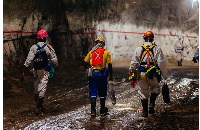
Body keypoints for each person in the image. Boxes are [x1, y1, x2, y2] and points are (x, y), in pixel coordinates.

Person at [129, 31, 168, 117]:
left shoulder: (138, 49)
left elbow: (133, 63)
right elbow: (162, 63)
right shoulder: (157, 49)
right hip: (153, 74)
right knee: (155, 89)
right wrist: (165, 76)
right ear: (153, 38)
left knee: (143, 91)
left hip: (141, 73)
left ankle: (145, 112)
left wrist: (132, 72)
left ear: (144, 38)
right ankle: (151, 105)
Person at [23, 29, 58, 115]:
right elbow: (54, 60)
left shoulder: (33, 47)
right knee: (43, 86)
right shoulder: (48, 47)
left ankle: (39, 105)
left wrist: (24, 70)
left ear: (38, 38)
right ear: (45, 38)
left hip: (35, 70)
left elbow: (29, 60)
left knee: (36, 86)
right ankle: (38, 107)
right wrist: (56, 66)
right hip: (45, 70)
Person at [84, 37, 113, 117]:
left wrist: (88, 69)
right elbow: (110, 65)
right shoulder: (106, 52)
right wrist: (111, 76)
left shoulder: (91, 52)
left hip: (93, 74)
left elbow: (85, 62)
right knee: (102, 92)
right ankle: (102, 110)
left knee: (93, 92)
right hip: (102, 74)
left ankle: (93, 111)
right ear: (103, 44)